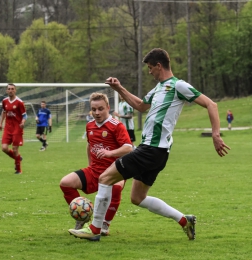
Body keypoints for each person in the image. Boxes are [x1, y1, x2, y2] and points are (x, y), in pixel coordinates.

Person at [68, 48, 231, 242]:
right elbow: (141, 106)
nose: (149, 72)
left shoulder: (178, 85)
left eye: (150, 68)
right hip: (157, 152)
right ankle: (184, 220)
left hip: (151, 149)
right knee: (137, 197)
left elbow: (211, 104)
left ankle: (95, 229)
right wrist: (119, 88)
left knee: (104, 178)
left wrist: (215, 134)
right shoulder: (158, 88)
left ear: (159, 66)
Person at [60, 92, 133, 236]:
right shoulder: (90, 126)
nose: (97, 112)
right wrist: (90, 164)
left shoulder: (116, 126)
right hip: (94, 170)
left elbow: (128, 148)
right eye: (93, 109)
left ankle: (104, 225)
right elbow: (89, 145)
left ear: (108, 107)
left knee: (116, 189)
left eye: (100, 109)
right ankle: (82, 216)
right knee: (65, 183)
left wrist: (109, 153)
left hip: (114, 172)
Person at [0, 83, 27, 174]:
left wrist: (22, 122)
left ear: (15, 90)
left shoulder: (19, 102)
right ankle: (18, 158)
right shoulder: (4, 101)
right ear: (6, 90)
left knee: (15, 149)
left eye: (12, 89)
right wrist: (0, 123)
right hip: (8, 128)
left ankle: (18, 170)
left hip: (17, 128)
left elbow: (25, 115)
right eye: (9, 89)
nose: (10, 90)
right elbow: (4, 112)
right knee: (4, 148)